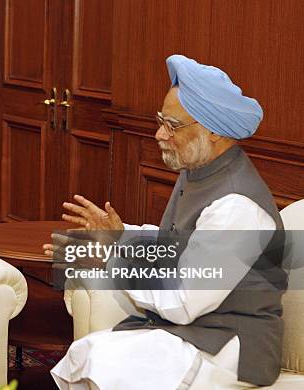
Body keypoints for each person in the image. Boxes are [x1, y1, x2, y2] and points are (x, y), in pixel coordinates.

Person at [44, 54, 286, 389]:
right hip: (194, 330)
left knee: (105, 364)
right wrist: (120, 235)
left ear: (212, 131)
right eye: (161, 120)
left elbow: (182, 301)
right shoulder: (198, 170)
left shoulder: (237, 206)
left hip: (231, 346)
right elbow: (181, 246)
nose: (159, 134)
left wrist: (112, 259)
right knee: (87, 354)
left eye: (172, 126)